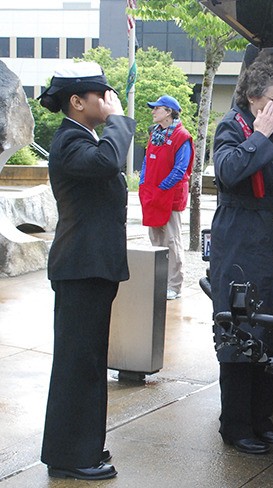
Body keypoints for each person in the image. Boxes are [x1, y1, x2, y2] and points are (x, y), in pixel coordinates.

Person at [37, 62, 136, 480]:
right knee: (78, 364)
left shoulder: (83, 139)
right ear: (77, 102)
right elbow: (109, 161)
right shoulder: (70, 142)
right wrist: (118, 121)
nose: (109, 102)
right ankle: (70, 456)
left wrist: (111, 121)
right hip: (80, 268)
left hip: (90, 268)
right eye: (102, 95)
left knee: (90, 361)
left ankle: (84, 447)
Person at [209, 51, 273, 455]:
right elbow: (228, 172)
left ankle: (263, 420)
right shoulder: (232, 126)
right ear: (254, 95)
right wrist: (258, 137)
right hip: (240, 238)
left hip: (271, 240)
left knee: (270, 331)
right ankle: (236, 425)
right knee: (239, 333)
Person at [139, 95, 195, 300]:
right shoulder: (155, 134)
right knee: (156, 239)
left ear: (169, 112)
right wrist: (144, 184)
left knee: (172, 240)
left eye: (157, 108)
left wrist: (161, 188)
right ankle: (160, 282)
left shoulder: (182, 137)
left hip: (169, 197)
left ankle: (174, 285)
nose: (153, 111)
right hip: (153, 195)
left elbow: (180, 169)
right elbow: (146, 161)